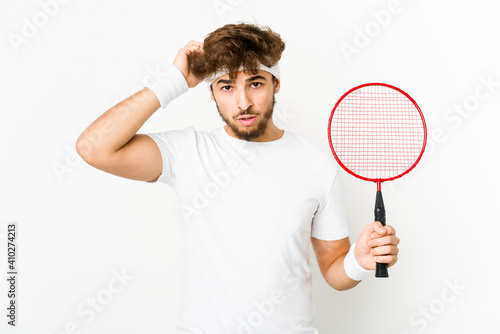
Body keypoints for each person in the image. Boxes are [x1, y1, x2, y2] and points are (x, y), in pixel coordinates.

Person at [76, 22, 400, 334]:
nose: (243, 102)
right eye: (227, 86)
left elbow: (334, 269)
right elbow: (93, 148)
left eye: (255, 83)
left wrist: (358, 261)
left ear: (276, 83)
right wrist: (173, 81)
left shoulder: (316, 166)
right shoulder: (188, 153)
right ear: (212, 93)